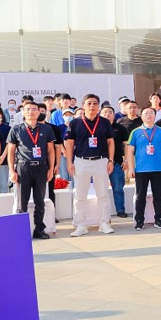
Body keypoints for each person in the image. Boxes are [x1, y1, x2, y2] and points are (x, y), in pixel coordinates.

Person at [64, 94, 116, 236]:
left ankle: (104, 223)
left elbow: (110, 142)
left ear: (98, 106)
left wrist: (110, 160)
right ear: (83, 105)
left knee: (103, 194)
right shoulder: (75, 123)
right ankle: (81, 224)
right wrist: (69, 162)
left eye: (95, 103)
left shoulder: (104, 122)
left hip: (101, 161)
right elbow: (69, 144)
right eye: (89, 103)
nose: (92, 106)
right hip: (81, 161)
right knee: (80, 195)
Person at [6, 101, 56, 239]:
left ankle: (39, 229)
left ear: (39, 112)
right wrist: (12, 171)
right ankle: (22, 231)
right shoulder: (16, 129)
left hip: (41, 167)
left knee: (40, 201)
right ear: (23, 112)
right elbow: (11, 151)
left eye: (34, 109)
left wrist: (51, 169)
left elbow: (51, 150)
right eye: (27, 109)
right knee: (22, 202)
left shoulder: (46, 129)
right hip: (23, 168)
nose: (31, 112)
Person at [126, 108, 161, 230]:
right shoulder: (136, 132)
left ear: (155, 116)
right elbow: (130, 151)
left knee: (158, 196)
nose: (149, 115)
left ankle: (159, 220)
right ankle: (139, 221)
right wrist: (131, 168)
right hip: (141, 169)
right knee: (140, 196)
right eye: (146, 113)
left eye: (151, 113)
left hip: (158, 168)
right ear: (141, 117)